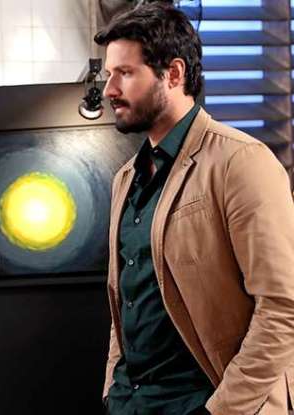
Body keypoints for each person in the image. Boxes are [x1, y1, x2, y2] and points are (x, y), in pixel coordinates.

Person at [94, 3, 294, 415]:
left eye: (125, 73)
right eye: (108, 74)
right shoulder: (125, 179)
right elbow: (125, 302)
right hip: (131, 403)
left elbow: (283, 307)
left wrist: (220, 411)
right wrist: (114, 387)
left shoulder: (240, 162)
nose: (110, 89)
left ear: (173, 74)